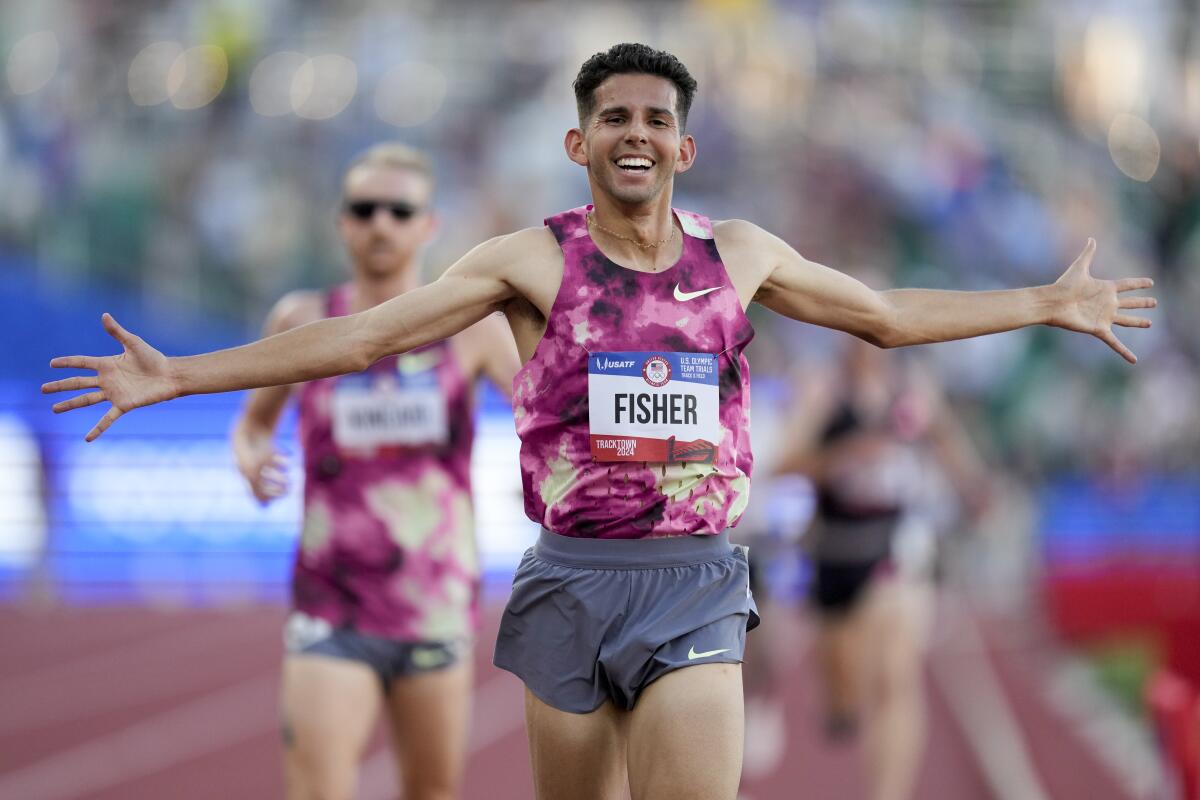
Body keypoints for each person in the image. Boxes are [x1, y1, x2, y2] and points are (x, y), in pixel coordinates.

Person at [44, 43, 1155, 800]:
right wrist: (184, 375)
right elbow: (366, 338)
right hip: (570, 578)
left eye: (657, 120)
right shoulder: (528, 260)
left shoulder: (744, 253)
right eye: (613, 117)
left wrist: (1044, 302)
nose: (636, 132)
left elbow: (886, 315)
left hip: (696, 579)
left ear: (684, 147)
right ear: (579, 144)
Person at [233, 142, 519, 800]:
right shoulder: (302, 319)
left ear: (430, 226)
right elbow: (253, 423)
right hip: (331, 602)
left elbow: (544, 412)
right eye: (364, 209)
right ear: (342, 223)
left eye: (399, 209)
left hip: (435, 606)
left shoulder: (472, 329)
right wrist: (251, 457)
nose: (381, 223)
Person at [772, 338, 991, 800]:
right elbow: (783, 465)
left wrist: (973, 487)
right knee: (844, 700)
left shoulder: (913, 387)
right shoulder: (823, 390)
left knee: (895, 676)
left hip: (896, 544)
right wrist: (842, 457)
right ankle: (839, 698)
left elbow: (949, 443)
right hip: (834, 552)